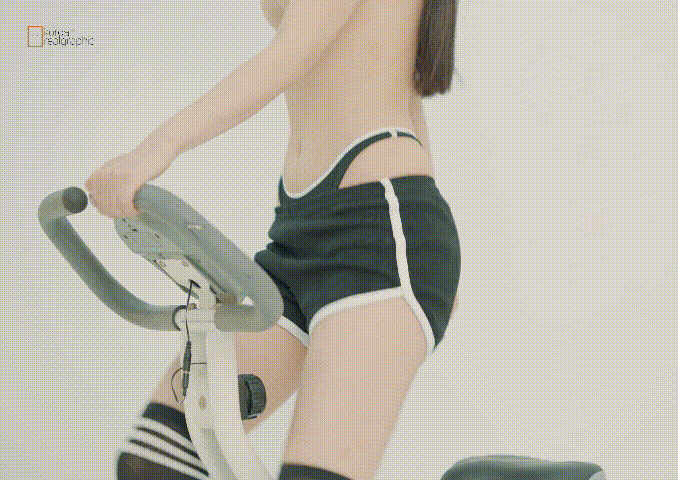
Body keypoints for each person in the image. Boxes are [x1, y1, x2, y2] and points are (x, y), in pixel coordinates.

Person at [84, 1, 461, 479]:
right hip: (298, 236)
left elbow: (290, 53)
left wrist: (153, 151)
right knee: (155, 463)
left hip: (380, 242)